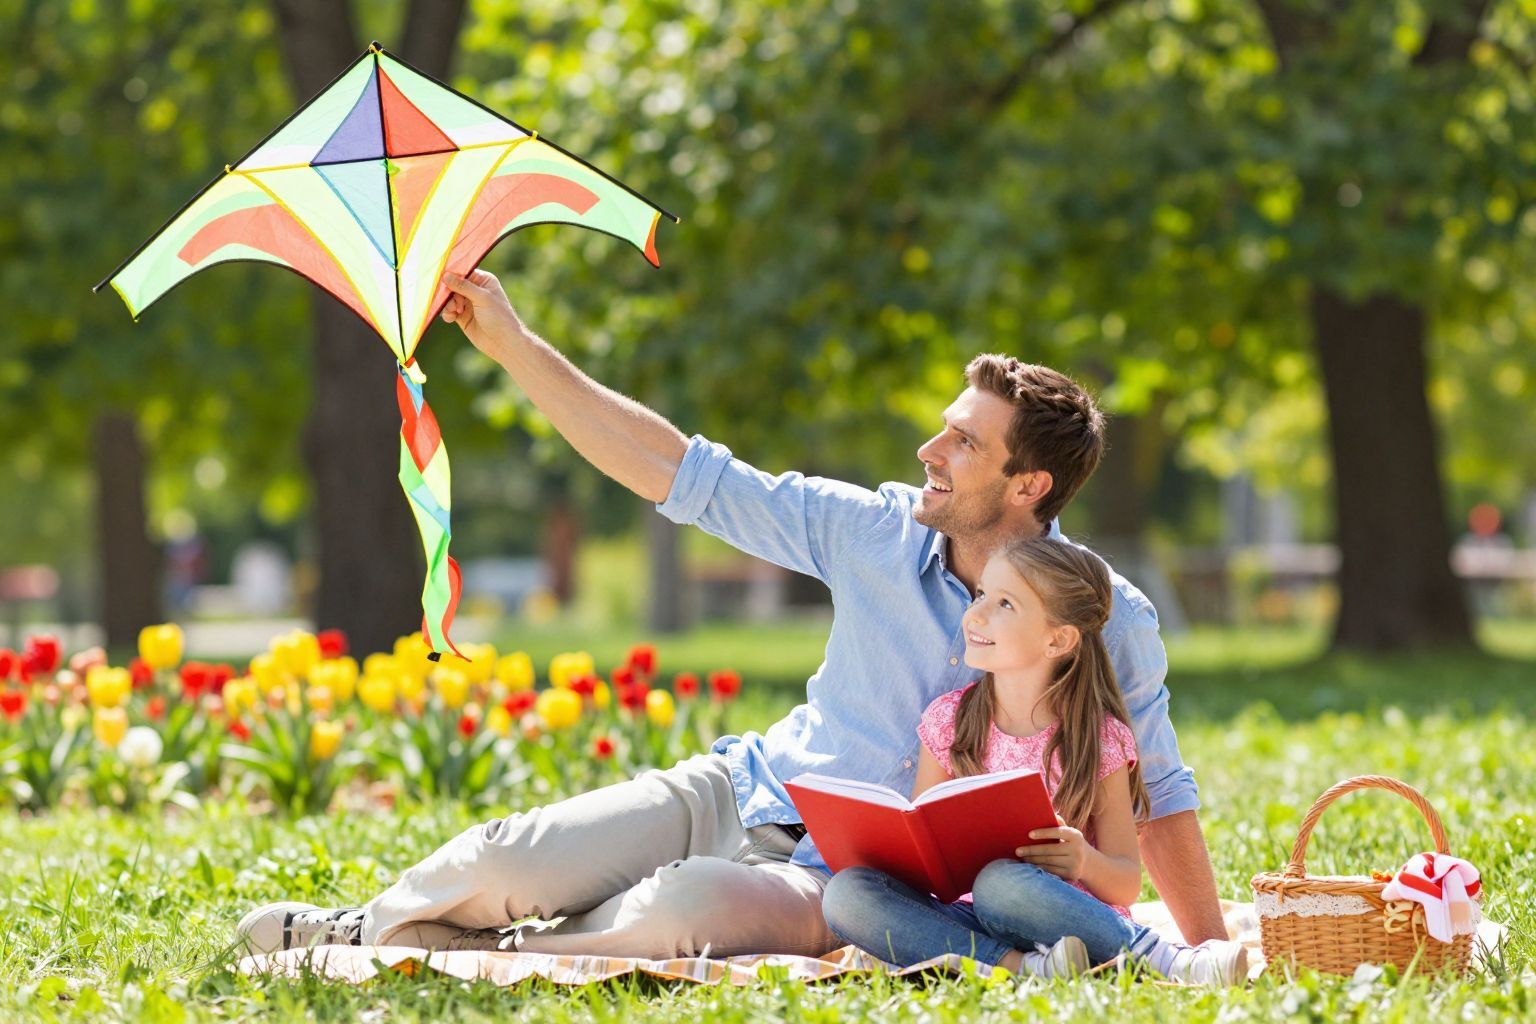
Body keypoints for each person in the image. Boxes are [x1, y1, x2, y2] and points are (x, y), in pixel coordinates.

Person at [235, 269, 1226, 959]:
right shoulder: (871, 530)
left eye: (964, 443)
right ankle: (369, 923)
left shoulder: (1107, 617)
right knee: (513, 854)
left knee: (675, 909)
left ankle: (460, 945)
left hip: (849, 882)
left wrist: (1211, 950)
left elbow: (1162, 796)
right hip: (746, 788)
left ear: (1029, 485)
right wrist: (513, 344)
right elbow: (682, 475)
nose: (930, 449)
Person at [821, 536, 1247, 984]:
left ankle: (1163, 958)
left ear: (1057, 640)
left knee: (1000, 884)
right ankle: (1022, 969)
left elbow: (1125, 883)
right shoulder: (947, 722)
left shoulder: (1098, 738)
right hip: (969, 920)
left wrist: (1083, 861)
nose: (977, 613)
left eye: (1005, 604)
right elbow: (923, 835)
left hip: (1062, 915)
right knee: (845, 894)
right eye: (982, 593)